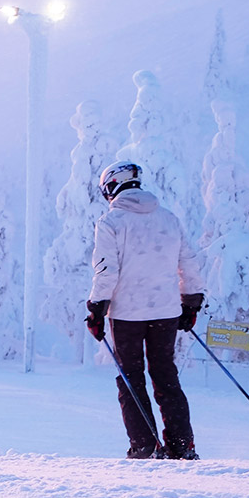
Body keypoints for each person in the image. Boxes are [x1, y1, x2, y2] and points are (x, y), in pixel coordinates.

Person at [86, 161, 206, 460]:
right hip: (165, 312)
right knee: (165, 375)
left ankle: (145, 446)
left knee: (131, 377)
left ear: (112, 186)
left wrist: (97, 309)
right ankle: (182, 446)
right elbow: (189, 262)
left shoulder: (111, 222)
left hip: (127, 314)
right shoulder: (169, 219)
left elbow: (106, 271)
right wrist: (191, 302)